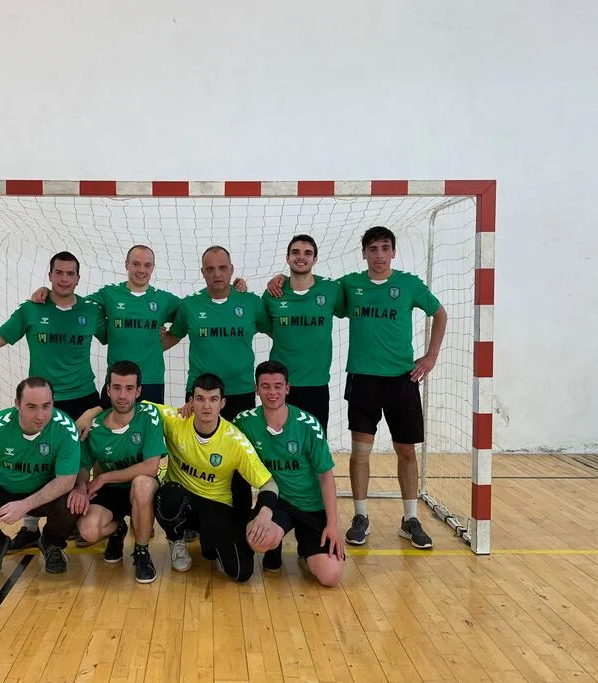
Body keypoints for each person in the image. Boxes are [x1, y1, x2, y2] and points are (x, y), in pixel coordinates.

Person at [0, 251, 106, 551]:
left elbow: (116, 336)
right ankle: (30, 528)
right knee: (35, 459)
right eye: (59, 273)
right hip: (43, 400)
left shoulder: (92, 310)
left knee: (83, 461)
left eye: (70, 274)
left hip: (82, 398)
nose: (64, 279)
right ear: (50, 275)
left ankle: (79, 519)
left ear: (78, 278)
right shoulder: (32, 310)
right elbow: (0, 336)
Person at [339, 226, 447, 549]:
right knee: (360, 452)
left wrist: (431, 356)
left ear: (393, 252)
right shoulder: (350, 285)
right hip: (363, 378)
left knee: (406, 451)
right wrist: (280, 279)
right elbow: (314, 291)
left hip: (402, 378)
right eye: (373, 249)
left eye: (385, 248)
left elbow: (440, 313)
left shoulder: (409, 284)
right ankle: (361, 517)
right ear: (364, 253)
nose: (379, 255)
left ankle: (410, 519)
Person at [148, 373, 280, 581]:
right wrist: (98, 411)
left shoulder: (235, 441)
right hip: (182, 497)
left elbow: (268, 484)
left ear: (222, 403)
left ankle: (210, 540)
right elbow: (137, 406)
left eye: (213, 399)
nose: (206, 406)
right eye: (200, 399)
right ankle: (176, 539)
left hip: (215, 504)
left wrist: (264, 512)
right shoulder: (175, 420)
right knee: (167, 495)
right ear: (191, 401)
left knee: (241, 572)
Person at [0, 377, 80, 576]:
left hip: (42, 488)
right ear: (17, 404)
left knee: (72, 504)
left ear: (53, 403)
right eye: (31, 407)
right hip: (2, 485)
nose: (40, 415)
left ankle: (51, 544)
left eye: (46, 406)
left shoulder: (65, 428)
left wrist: (25, 505)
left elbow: (66, 481)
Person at [233, 361, 345, 585]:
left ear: (287, 388)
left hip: (311, 506)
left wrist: (332, 525)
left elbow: (326, 476)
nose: (272, 392)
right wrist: (187, 410)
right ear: (256, 389)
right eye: (265, 386)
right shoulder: (244, 422)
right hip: (277, 503)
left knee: (330, 576)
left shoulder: (308, 425)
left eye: (278, 386)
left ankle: (307, 547)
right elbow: (217, 432)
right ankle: (273, 548)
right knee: (258, 540)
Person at [31, 245, 181, 404]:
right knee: (107, 420)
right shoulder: (109, 294)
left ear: (153, 267)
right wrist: (48, 291)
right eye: (136, 264)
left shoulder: (165, 300)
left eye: (147, 265)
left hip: (151, 381)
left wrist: (162, 342)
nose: (141, 270)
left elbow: (187, 319)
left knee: (149, 421)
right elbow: (74, 305)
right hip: (116, 381)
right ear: (126, 265)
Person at [66, 361, 166, 583]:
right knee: (88, 531)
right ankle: (117, 529)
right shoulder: (94, 426)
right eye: (117, 388)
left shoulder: (149, 415)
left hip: (139, 489)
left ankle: (141, 552)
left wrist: (103, 477)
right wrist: (81, 486)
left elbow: (151, 466)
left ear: (138, 391)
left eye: (129, 388)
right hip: (110, 491)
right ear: (108, 390)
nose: (123, 395)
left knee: (142, 483)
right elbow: (83, 466)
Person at [161, 246, 269, 421]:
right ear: (202, 272)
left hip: (241, 390)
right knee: (198, 440)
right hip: (201, 393)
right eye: (210, 269)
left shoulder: (252, 302)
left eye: (222, 268)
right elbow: (173, 336)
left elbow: (276, 332)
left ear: (231, 269)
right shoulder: (189, 305)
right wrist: (146, 342)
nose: (217, 274)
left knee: (239, 439)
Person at [261, 234, 345, 429]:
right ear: (287, 257)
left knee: (315, 442)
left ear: (315, 259)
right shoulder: (273, 294)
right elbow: (267, 327)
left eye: (307, 253)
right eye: (295, 252)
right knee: (279, 440)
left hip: (316, 384)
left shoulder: (331, 289)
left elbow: (349, 311)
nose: (301, 257)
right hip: (280, 385)